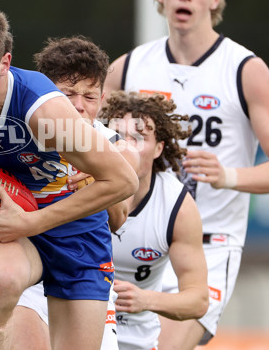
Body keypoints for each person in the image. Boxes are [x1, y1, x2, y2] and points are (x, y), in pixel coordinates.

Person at [103, 0, 269, 349]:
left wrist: (227, 175)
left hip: (210, 242)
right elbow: (92, 146)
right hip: (137, 238)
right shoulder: (130, 67)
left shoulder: (243, 69)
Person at [0, 6, 138, 350]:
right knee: (4, 281)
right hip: (7, 215)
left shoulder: (45, 112)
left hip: (74, 233)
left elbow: (125, 182)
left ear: (4, 63)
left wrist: (31, 222)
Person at [97, 90, 208, 350]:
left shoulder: (176, 205)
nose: (125, 145)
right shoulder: (79, 183)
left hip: (137, 340)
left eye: (138, 137)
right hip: (78, 325)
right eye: (117, 136)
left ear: (159, 148)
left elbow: (198, 300)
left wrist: (146, 300)